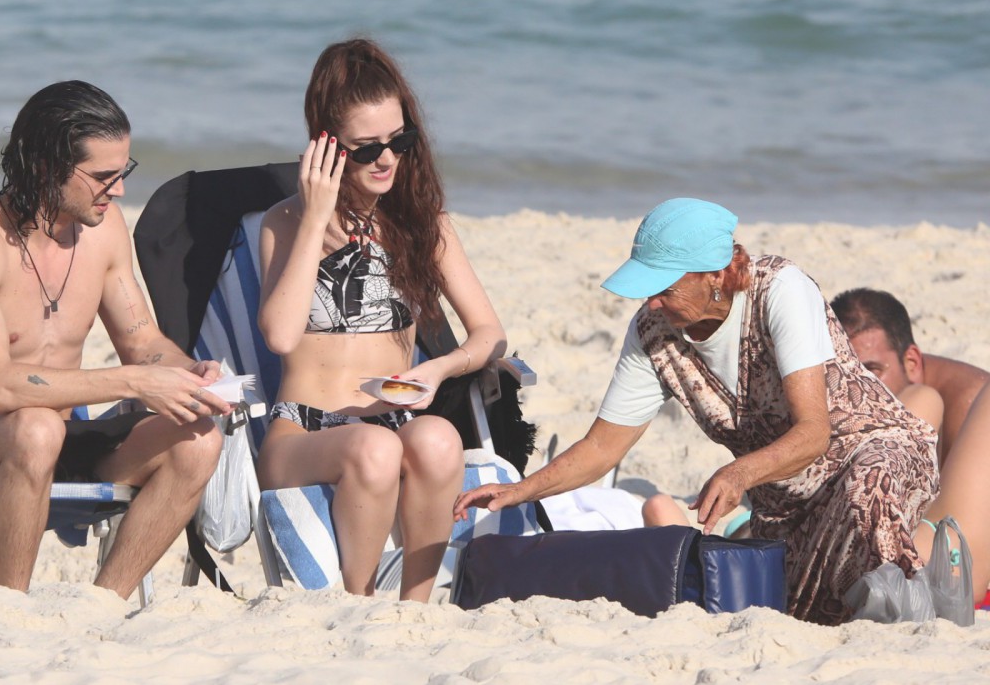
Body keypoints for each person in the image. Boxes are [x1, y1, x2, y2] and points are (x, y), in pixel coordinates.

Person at [454, 198, 940, 625]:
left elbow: (815, 433)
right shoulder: (653, 332)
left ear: (716, 275)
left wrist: (736, 475)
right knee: (806, 619)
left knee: (868, 491)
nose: (651, 300)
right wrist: (520, 490)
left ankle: (915, 612)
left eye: (664, 286)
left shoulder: (780, 289)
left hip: (877, 454)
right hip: (784, 503)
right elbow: (602, 448)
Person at [0, 80, 227, 600]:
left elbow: (143, 341)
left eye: (125, 171)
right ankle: (11, 607)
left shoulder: (103, 230)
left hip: (57, 435)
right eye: (104, 176)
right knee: (33, 429)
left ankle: (100, 605)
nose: (119, 189)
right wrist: (134, 382)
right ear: (44, 166)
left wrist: (186, 373)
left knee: (198, 439)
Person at [257, 38, 507, 602]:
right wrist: (316, 213)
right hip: (303, 431)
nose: (387, 159)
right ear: (328, 148)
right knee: (373, 450)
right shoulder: (284, 222)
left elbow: (490, 334)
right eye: (366, 149)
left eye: (399, 141)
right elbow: (278, 334)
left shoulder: (423, 225)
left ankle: (412, 610)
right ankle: (359, 605)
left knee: (441, 438)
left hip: (392, 422)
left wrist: (439, 369)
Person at [831, 287, 990, 466]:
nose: (855, 389)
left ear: (911, 363)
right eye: (842, 374)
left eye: (871, 371)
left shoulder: (967, 406)